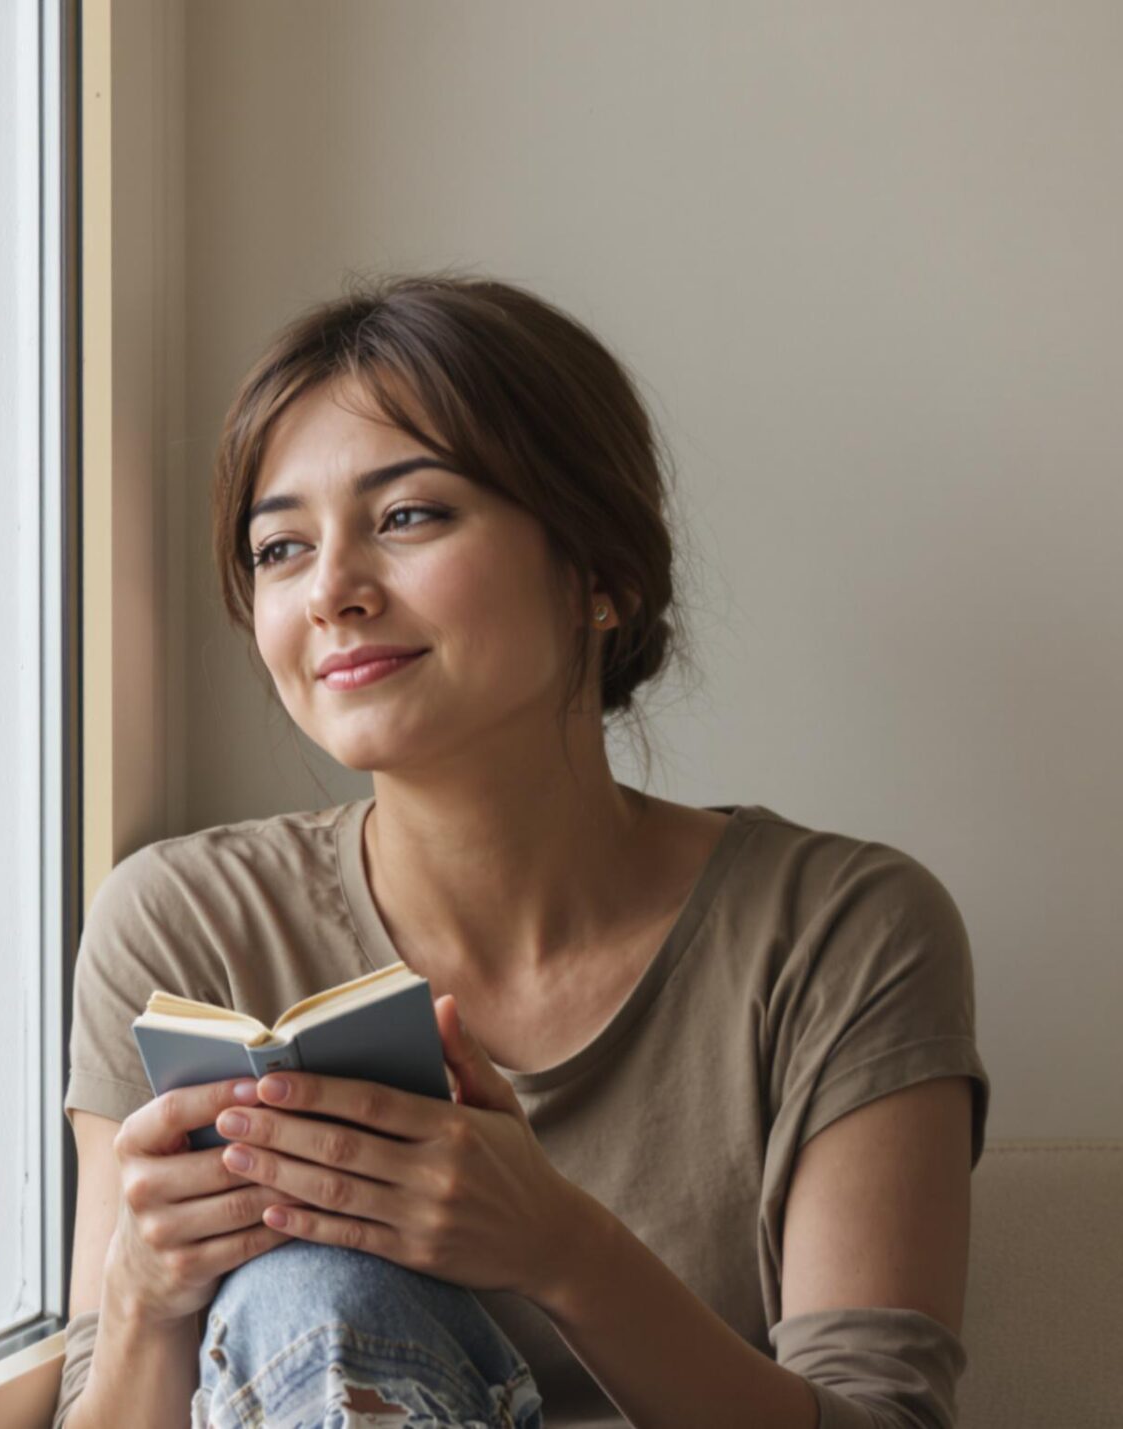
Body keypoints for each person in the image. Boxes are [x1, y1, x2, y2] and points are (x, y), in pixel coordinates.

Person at [52, 274, 988, 1428]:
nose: (332, 591)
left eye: (408, 516)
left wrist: (561, 1246)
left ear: (600, 576)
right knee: (310, 1296)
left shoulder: (838, 932)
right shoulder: (184, 921)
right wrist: (145, 1297)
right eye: (280, 547)